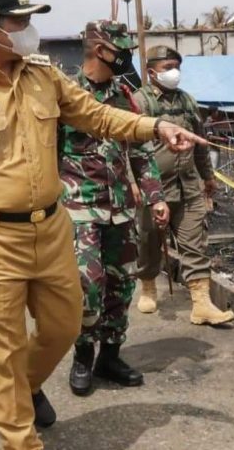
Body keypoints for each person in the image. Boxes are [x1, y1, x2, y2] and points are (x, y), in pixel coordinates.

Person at [0, 0, 204, 450]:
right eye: (20, 22)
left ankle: (23, 386)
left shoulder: (43, 76)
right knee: (4, 347)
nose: (29, 30)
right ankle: (19, 437)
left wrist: (155, 125)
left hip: (51, 227)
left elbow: (98, 117)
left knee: (65, 325)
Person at [60, 20, 170, 397]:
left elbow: (140, 150)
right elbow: (47, 149)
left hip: (121, 207)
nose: (127, 57)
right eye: (121, 49)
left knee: (121, 285)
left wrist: (155, 196)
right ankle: (81, 357)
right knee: (87, 286)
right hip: (79, 207)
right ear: (100, 49)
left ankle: (110, 355)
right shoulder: (67, 93)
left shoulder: (126, 94)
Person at [135, 45, 234, 325]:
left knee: (195, 243)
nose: (174, 73)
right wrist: (134, 185)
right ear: (151, 71)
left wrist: (208, 176)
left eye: (177, 66)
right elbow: (128, 148)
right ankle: (148, 285)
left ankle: (201, 304)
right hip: (153, 187)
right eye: (167, 67)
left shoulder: (188, 101)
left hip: (189, 186)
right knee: (149, 240)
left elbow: (201, 142)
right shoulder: (138, 102)